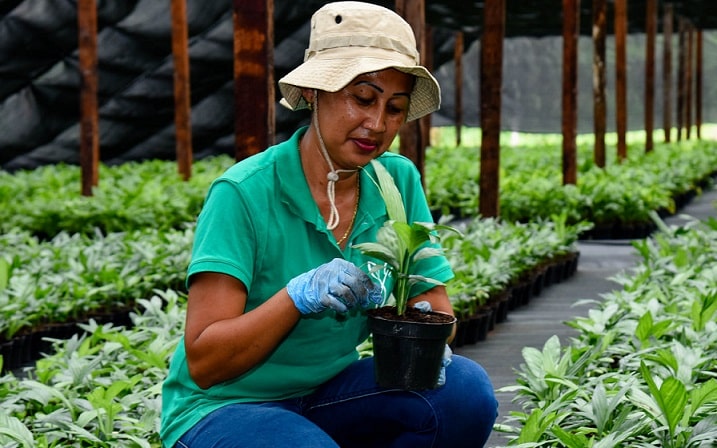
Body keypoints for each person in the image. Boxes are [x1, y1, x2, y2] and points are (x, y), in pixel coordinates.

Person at [160, 2, 497, 447]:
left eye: (395, 108)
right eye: (362, 98)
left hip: (328, 393)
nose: (377, 124)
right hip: (224, 404)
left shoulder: (396, 180)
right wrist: (297, 297)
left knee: (465, 393)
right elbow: (205, 363)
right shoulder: (243, 192)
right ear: (316, 92)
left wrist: (416, 319)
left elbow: (439, 309)